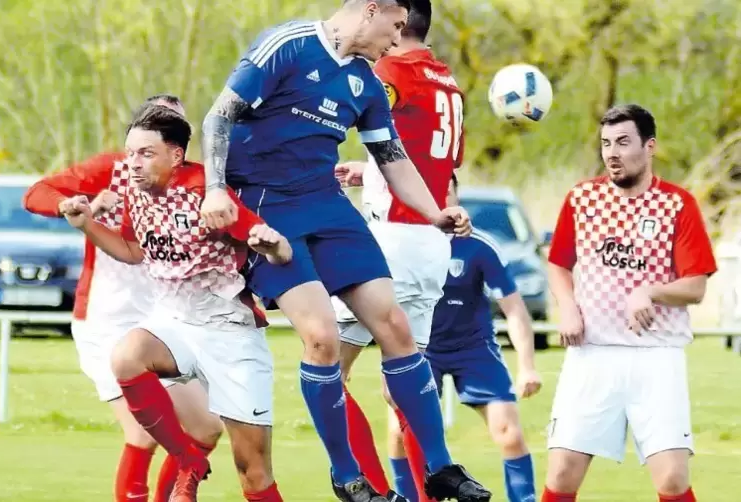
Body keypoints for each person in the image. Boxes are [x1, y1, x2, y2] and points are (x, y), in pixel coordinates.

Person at [198, 1, 491, 500]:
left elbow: (393, 159)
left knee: (395, 326)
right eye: (395, 27)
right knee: (321, 337)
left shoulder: (367, 82)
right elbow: (217, 118)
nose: (397, 40)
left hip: (329, 208)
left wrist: (436, 212)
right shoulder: (287, 45)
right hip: (269, 208)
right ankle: (346, 474)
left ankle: (440, 467)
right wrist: (216, 189)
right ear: (371, 10)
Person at [60, 105, 292, 502]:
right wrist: (86, 224)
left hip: (228, 332)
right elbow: (133, 251)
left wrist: (270, 246)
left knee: (253, 472)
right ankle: (187, 460)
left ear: (176, 156)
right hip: (173, 321)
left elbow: (281, 250)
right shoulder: (138, 191)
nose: (132, 163)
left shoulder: (206, 191)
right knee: (127, 356)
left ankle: (195, 464)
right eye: (130, 153)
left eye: (145, 153)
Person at [22, 94, 224, 502]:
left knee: (205, 429)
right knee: (142, 434)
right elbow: (37, 193)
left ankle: (176, 488)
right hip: (106, 321)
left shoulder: (197, 183)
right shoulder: (111, 171)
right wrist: (70, 203)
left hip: (164, 322)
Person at [542, 104, 717, 502]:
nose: (612, 153)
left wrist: (650, 291)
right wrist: (567, 306)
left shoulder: (678, 204)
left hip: (656, 356)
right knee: (562, 473)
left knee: (672, 479)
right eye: (605, 144)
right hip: (592, 354)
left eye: (623, 142)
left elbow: (696, 287)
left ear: (649, 146)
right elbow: (558, 265)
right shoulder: (582, 198)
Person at [328, 1, 466, 498]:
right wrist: (369, 174)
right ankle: (430, 491)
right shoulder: (448, 83)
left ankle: (372, 490)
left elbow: (341, 114)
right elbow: (434, 165)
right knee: (404, 388)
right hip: (432, 244)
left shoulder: (389, 70)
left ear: (398, 20)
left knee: (327, 372)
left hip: (391, 243)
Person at [386, 174, 541, 502]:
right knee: (399, 431)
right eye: (430, 190)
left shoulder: (479, 246)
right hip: (420, 349)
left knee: (509, 433)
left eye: (445, 189)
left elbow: (514, 310)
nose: (439, 197)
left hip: (474, 349)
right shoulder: (403, 245)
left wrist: (527, 366)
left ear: (457, 195)